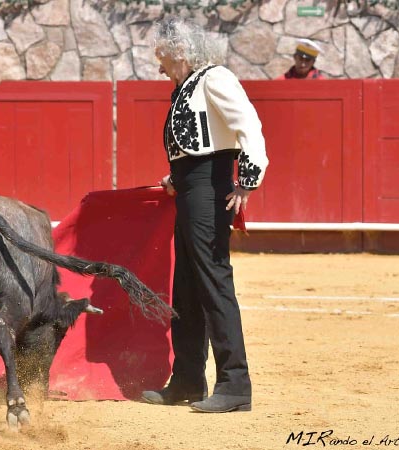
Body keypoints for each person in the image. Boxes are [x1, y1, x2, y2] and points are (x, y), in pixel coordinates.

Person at [140, 17, 269, 413]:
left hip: (210, 192)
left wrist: (247, 180)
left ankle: (235, 385)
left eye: (161, 56)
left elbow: (248, 126)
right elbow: (201, 144)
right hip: (192, 188)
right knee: (187, 288)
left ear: (179, 51)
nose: (159, 66)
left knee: (213, 282)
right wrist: (177, 176)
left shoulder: (215, 78)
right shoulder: (186, 88)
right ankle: (188, 379)